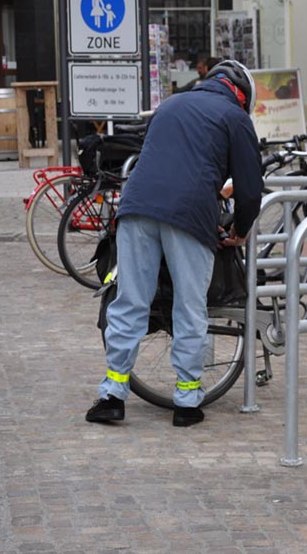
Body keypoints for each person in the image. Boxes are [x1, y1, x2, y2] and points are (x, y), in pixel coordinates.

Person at [85, 60, 264, 427]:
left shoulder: (170, 105)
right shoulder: (235, 117)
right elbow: (250, 190)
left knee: (131, 298)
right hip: (188, 212)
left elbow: (166, 160)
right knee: (190, 305)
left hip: (136, 206)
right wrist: (241, 231)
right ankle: (186, 399)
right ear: (242, 95)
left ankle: (112, 395)